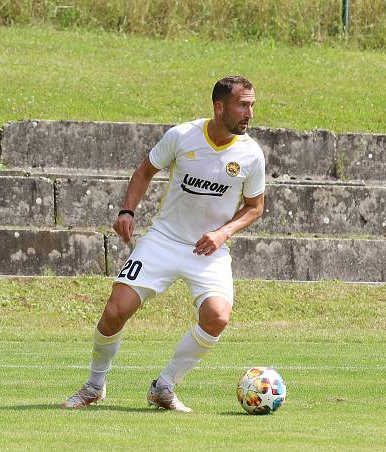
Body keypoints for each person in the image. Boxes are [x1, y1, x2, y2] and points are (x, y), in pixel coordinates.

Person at [63, 76, 265, 412]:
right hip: (164, 241)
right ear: (219, 107)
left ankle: (164, 385)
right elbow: (144, 171)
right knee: (115, 311)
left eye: (252, 105)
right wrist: (127, 211)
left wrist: (222, 233)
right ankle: (94, 385)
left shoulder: (251, 155)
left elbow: (255, 207)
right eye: (243, 105)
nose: (250, 113)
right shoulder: (183, 135)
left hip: (209, 251)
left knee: (217, 317)